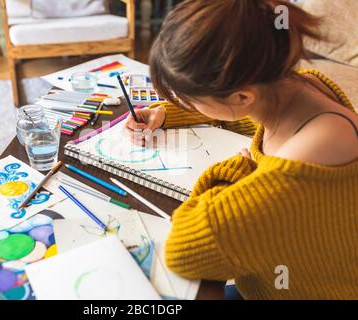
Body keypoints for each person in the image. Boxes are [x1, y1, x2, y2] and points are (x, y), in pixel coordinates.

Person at [125, 0, 358, 299]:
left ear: (241, 96)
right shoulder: (308, 89)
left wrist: (233, 173)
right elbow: (255, 120)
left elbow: (184, 249)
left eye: (190, 100)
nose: (186, 105)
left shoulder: (300, 162)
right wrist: (167, 114)